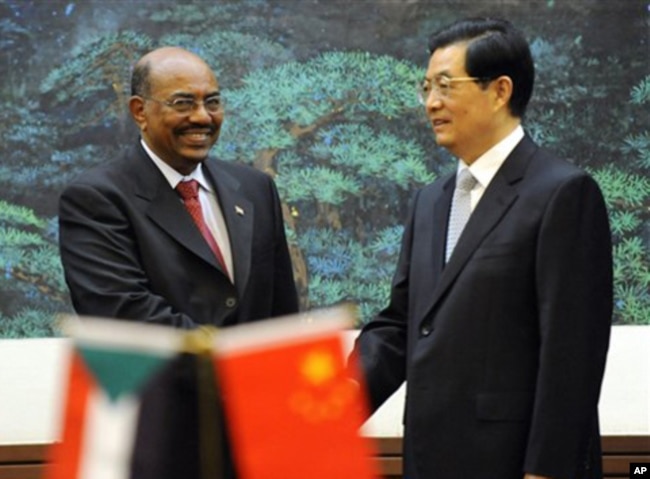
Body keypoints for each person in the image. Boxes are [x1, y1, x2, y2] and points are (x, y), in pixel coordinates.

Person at [350, 18, 613, 479]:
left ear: (500, 91)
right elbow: (402, 324)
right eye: (426, 87)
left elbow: (571, 353)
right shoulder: (430, 200)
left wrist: (547, 469)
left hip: (512, 462)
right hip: (429, 458)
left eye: (446, 86)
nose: (431, 102)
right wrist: (337, 398)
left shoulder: (563, 193)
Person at [58, 46, 299, 478]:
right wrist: (240, 371)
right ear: (140, 111)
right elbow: (123, 313)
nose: (203, 117)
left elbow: (281, 312)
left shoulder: (255, 188)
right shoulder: (97, 197)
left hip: (256, 447)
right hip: (160, 446)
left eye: (213, 101)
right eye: (183, 103)